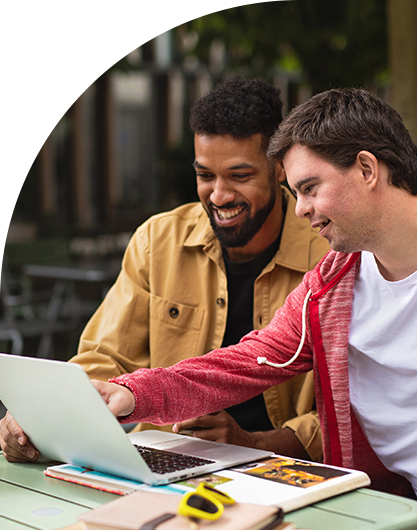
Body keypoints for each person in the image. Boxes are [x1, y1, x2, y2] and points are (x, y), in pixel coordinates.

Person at [84, 87, 417, 499]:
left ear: (367, 169)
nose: (300, 209)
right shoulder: (331, 285)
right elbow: (244, 362)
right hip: (387, 504)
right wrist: (133, 392)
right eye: (298, 192)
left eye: (311, 188)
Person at [0, 77, 329, 464]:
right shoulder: (158, 240)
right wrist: (44, 417)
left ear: (279, 169)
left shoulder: (329, 253)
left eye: (239, 176)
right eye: (205, 176)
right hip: (154, 463)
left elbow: (354, 410)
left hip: (283, 473)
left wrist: (256, 444)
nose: (219, 195)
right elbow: (103, 357)